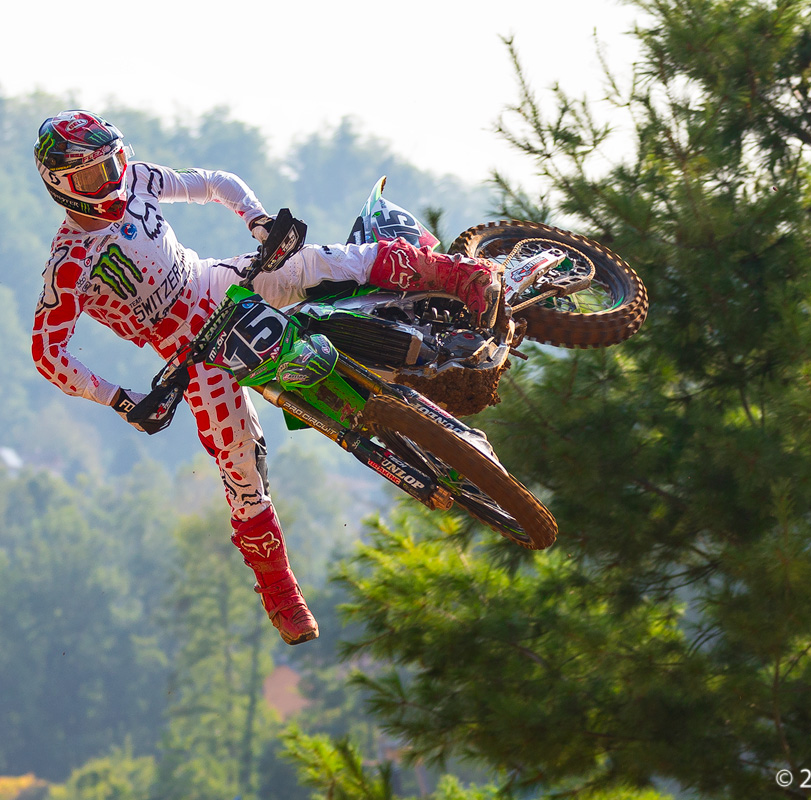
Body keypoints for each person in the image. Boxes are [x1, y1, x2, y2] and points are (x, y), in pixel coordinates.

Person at [31, 110, 496, 646]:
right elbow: (47, 352)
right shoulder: (69, 261)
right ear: (63, 186)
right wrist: (119, 398)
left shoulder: (136, 178)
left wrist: (258, 222)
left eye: (113, 162)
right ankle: (281, 593)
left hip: (220, 284)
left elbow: (214, 182)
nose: (111, 178)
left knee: (318, 264)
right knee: (239, 462)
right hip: (190, 351)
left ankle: (460, 276)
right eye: (93, 175)